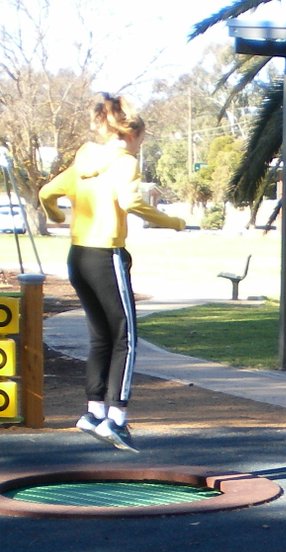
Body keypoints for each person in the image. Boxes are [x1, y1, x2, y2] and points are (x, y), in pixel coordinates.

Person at [39, 93, 186, 452]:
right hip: (107, 254)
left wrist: (57, 217)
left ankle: (93, 412)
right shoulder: (125, 162)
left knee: (101, 337)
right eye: (142, 140)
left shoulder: (82, 163)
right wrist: (173, 222)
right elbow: (130, 201)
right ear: (133, 134)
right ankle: (116, 419)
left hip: (78, 256)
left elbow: (46, 192)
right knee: (127, 339)